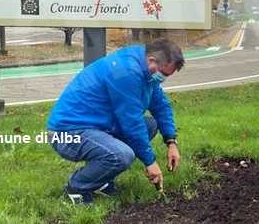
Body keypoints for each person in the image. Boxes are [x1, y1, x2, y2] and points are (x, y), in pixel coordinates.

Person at [47, 38, 185, 205]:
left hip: (97, 126)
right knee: (121, 155)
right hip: (67, 132)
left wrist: (171, 141)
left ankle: (101, 181)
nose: (163, 78)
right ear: (151, 60)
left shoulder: (145, 68)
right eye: (164, 74)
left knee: (150, 125)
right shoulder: (126, 72)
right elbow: (131, 123)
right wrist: (150, 162)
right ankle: (76, 187)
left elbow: (160, 105)